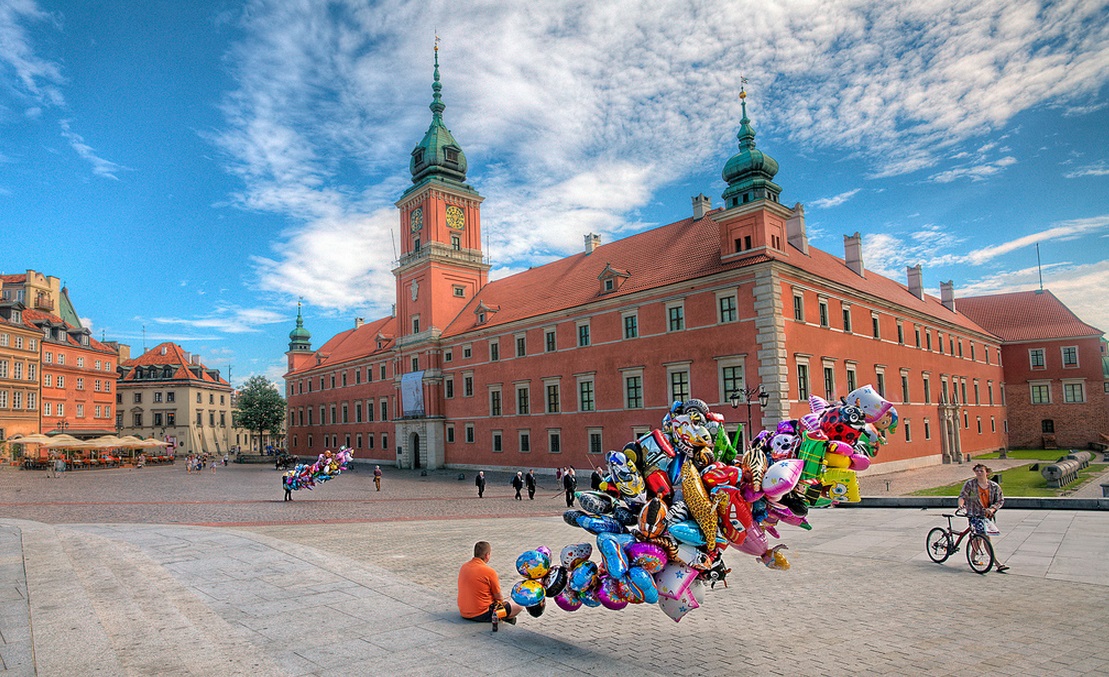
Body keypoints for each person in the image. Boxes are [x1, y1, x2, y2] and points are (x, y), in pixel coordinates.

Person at [958, 463, 1009, 573]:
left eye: (981, 471)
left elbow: (1000, 500)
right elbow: (963, 496)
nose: (979, 473)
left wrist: (992, 509)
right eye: (977, 471)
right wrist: (961, 505)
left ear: (987, 472)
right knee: (984, 536)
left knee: (979, 537)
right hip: (974, 514)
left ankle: (972, 557)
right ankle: (997, 563)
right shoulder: (970, 484)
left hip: (987, 515)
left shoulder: (994, 486)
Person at [457, 541, 521, 627]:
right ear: (487, 555)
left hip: (464, 611)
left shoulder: (464, 567)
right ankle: (502, 619)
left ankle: (504, 619)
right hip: (482, 614)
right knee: (518, 605)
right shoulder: (489, 572)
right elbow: (498, 597)